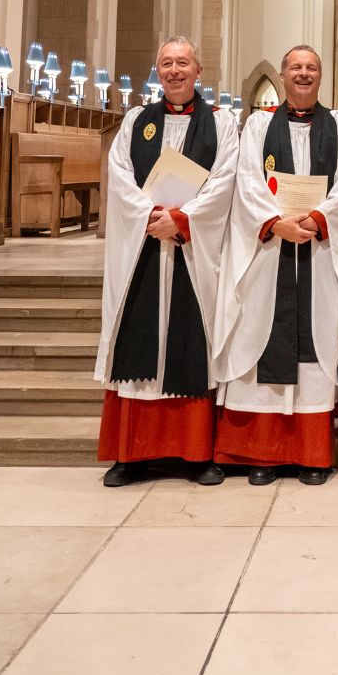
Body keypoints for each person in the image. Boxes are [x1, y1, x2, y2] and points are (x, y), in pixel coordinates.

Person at [213, 46, 338, 485]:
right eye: (295, 67)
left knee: (314, 344)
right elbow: (247, 180)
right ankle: (263, 453)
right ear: (281, 75)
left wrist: (316, 220)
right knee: (262, 337)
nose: (303, 74)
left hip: (318, 251)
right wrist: (276, 223)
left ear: (321, 77)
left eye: (311, 68)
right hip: (271, 252)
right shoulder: (259, 124)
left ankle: (312, 456)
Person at [96, 37, 239, 488]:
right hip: (143, 248)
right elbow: (118, 175)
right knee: (137, 336)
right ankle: (131, 455)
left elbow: (225, 181)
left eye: (183, 63)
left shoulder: (222, 123)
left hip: (192, 252)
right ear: (157, 72)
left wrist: (182, 220)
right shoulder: (137, 120)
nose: (174, 71)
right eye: (166, 64)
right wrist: (149, 218)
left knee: (191, 338)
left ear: (199, 70)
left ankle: (196, 454)